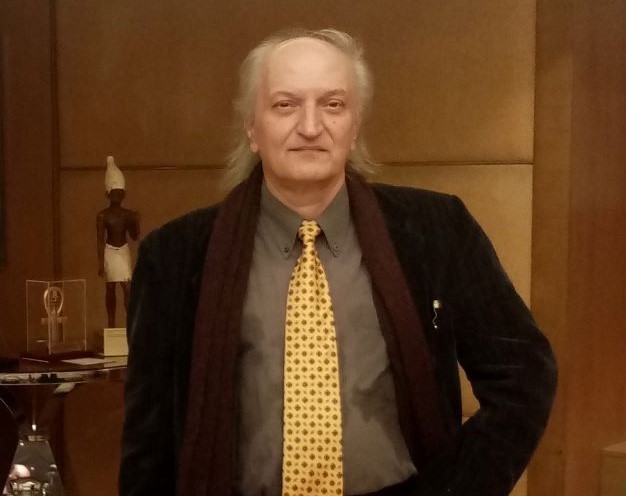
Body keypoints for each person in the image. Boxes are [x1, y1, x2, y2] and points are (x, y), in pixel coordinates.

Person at [119, 29, 557, 496]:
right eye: (285, 105)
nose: (310, 127)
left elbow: (524, 376)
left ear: (355, 125)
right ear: (252, 127)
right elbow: (149, 444)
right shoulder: (175, 256)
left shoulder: (437, 231)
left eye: (332, 104)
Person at [96, 156, 140, 328]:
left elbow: (134, 236)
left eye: (119, 193)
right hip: (109, 251)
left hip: (123, 250)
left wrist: (136, 222)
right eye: (114, 193)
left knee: (127, 288)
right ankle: (111, 324)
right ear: (108, 194)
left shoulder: (127, 214)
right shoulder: (103, 215)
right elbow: (100, 240)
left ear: (123, 194)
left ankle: (130, 323)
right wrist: (101, 263)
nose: (117, 196)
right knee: (110, 288)